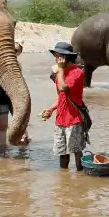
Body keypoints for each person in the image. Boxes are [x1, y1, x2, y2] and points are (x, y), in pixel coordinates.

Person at [41, 42, 86, 171]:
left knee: (76, 151)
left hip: (73, 120)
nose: (56, 60)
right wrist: (50, 109)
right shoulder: (62, 74)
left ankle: (80, 176)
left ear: (65, 57)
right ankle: (64, 179)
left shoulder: (77, 73)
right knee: (62, 153)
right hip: (60, 119)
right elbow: (61, 97)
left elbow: (63, 88)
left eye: (58, 56)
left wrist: (60, 70)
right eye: (55, 56)